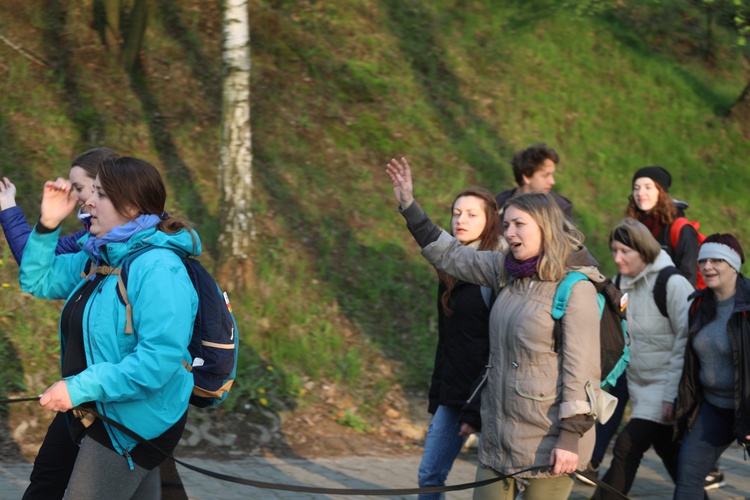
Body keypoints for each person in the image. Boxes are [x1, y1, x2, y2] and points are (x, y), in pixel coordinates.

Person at [386, 157, 602, 500]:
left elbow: (583, 374)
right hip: (498, 439)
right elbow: (450, 256)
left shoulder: (576, 288)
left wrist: (570, 438)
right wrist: (409, 207)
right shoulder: (505, 271)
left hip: (548, 444)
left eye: (518, 224)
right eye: (506, 224)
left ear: (545, 226)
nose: (508, 233)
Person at [19, 156, 199, 499]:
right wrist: (47, 223)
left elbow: (156, 362)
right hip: (92, 404)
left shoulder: (158, 267)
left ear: (130, 207)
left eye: (99, 194)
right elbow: (37, 280)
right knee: (44, 485)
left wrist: (79, 387)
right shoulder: (101, 257)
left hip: (133, 418)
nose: (87, 201)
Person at [590, 218, 693, 499]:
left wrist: (672, 396)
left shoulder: (672, 283)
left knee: (626, 448)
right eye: (614, 250)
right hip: (640, 388)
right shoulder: (621, 283)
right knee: (671, 455)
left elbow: (688, 342)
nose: (617, 258)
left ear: (644, 250)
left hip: (666, 389)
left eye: (625, 251)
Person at [417, 188, 502, 499]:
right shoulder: (450, 267)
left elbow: (500, 349)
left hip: (495, 398)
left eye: (471, 214)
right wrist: (440, 394)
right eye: (456, 213)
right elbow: (449, 342)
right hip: (455, 395)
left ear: (490, 220)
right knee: (430, 475)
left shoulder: (498, 270)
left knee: (502, 481)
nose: (460, 220)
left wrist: (475, 409)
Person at [673, 234, 750, 499]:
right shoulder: (699, 304)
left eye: (716, 260)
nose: (707, 267)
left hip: (748, 408)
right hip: (713, 409)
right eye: (703, 260)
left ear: (734, 264)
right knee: (687, 478)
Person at [0, 147, 118, 263]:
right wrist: (48, 221)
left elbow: (33, 263)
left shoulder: (125, 244)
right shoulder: (87, 238)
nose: (74, 196)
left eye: (79, 188)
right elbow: (33, 260)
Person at [627, 166, 699, 286]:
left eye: (648, 187)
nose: (640, 193)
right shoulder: (634, 227)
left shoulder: (681, 229)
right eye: (636, 188)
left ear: (661, 192)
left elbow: (688, 280)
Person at [495, 143, 573, 221]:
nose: (552, 181)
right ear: (526, 176)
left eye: (552, 174)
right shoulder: (500, 203)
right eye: (545, 175)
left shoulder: (560, 209)